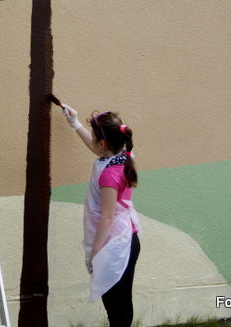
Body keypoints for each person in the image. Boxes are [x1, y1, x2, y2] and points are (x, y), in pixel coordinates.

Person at [61, 104, 141, 327]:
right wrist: (75, 123)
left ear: (104, 143)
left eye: (95, 137)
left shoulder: (109, 175)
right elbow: (97, 148)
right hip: (126, 238)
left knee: (115, 304)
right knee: (122, 300)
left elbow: (107, 217)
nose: (93, 142)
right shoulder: (124, 156)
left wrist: (95, 253)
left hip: (114, 243)